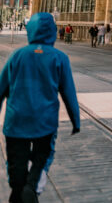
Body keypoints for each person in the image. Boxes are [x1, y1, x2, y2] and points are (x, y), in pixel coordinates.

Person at [0, 12, 81, 203]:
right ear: (53, 32)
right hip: (45, 121)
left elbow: (1, 88)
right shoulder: (59, 57)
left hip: (16, 120)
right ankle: (32, 185)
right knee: (42, 156)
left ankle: (19, 188)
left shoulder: (17, 55)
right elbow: (69, 93)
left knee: (16, 161)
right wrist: (75, 121)